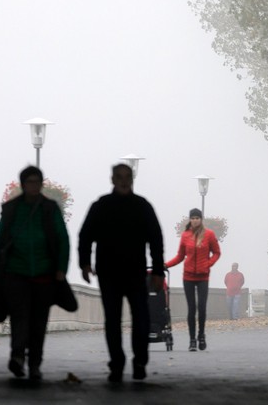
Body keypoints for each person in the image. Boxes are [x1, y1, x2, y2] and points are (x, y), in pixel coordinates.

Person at [78, 163, 164, 382]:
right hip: (109, 273)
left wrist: (157, 271)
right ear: (113, 179)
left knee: (141, 319)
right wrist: (85, 263)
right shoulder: (101, 206)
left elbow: (156, 240)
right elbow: (85, 235)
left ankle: (139, 361)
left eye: (127, 177)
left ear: (132, 179)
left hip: (135, 272)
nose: (124, 181)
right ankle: (117, 363)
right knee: (113, 320)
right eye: (120, 177)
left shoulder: (142, 206)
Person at [0, 166, 69, 381]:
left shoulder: (50, 208)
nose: (33, 185)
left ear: (41, 184)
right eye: (29, 181)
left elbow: (62, 239)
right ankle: (17, 356)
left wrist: (61, 268)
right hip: (16, 273)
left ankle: (34, 363)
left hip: (44, 275)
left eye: (36, 181)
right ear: (23, 184)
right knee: (19, 318)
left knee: (39, 322)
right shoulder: (12, 209)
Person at [165, 208, 221, 352]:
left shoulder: (209, 235)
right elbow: (180, 256)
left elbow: (216, 252)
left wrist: (208, 264)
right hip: (188, 276)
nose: (195, 220)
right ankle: (192, 340)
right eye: (193, 218)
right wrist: (165, 265)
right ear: (190, 220)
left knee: (201, 307)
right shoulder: (185, 236)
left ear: (201, 219)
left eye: (197, 218)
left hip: (203, 276)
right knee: (191, 309)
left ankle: (201, 335)